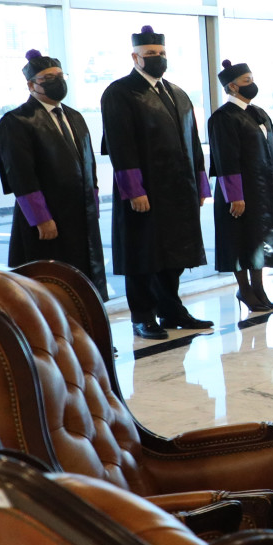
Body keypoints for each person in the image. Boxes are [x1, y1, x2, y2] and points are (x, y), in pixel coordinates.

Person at [99, 25, 211, 339]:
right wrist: (134, 190)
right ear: (135, 57)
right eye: (150, 53)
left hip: (179, 190)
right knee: (143, 255)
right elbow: (120, 146)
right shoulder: (120, 92)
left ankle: (171, 310)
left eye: (161, 53)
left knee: (175, 255)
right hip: (145, 191)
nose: (157, 57)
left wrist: (200, 185)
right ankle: (143, 316)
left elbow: (193, 142)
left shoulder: (177, 93)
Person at [0, 48, 105, 298]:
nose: (57, 82)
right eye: (48, 78)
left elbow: (89, 165)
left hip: (80, 214)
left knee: (83, 281)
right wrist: (41, 218)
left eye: (60, 76)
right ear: (31, 84)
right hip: (48, 218)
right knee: (50, 284)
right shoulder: (18, 121)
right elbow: (20, 174)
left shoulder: (74, 116)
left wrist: (92, 206)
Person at [207, 60, 273, 314]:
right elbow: (225, 158)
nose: (252, 84)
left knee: (258, 241)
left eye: (252, 79)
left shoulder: (258, 113)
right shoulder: (224, 117)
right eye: (246, 81)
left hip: (263, 189)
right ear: (232, 86)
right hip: (240, 192)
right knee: (239, 240)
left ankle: (259, 289)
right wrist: (235, 196)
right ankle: (244, 289)